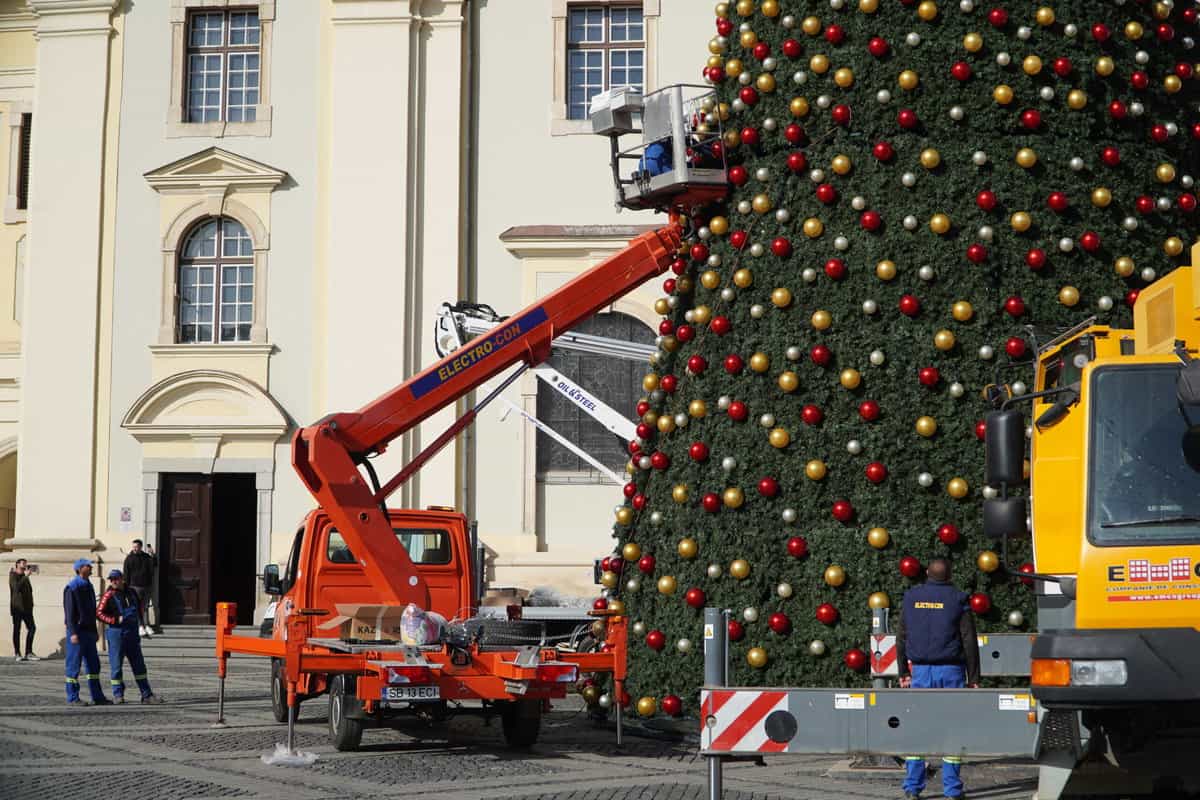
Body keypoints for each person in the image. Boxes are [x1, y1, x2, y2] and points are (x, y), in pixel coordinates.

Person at [894, 558, 980, 800]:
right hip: (951, 672)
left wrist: (903, 672)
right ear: (950, 574)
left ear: (926, 573)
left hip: (920, 671)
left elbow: (901, 637)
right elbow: (969, 641)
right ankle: (952, 790)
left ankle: (912, 787)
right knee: (952, 729)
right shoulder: (958, 599)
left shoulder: (911, 598)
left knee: (917, 728)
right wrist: (973, 677)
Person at [96, 569, 163, 705]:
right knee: (116, 666)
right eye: (111, 579)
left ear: (122, 579)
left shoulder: (132, 592)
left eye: (116, 578)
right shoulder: (108, 595)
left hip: (132, 634)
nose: (114, 581)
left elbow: (139, 609)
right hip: (116, 634)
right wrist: (114, 620)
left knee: (139, 666)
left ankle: (147, 695)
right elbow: (99, 613)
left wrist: (142, 625)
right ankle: (118, 694)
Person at [63, 558, 110, 706]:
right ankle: (73, 697)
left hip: (89, 631)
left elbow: (91, 611)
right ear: (79, 569)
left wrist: (95, 631)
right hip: (77, 631)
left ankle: (97, 696)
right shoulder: (72, 587)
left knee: (93, 665)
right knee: (73, 666)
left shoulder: (88, 585)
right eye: (87, 566)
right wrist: (73, 632)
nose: (91, 567)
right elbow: (69, 612)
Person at [122, 539, 156, 637]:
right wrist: (126, 587)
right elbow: (126, 573)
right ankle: (140, 625)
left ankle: (146, 625)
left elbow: (154, 565)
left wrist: (152, 555)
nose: (134, 549)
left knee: (145, 606)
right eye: (133, 547)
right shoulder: (129, 558)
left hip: (146, 585)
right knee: (137, 606)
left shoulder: (146, 557)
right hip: (134, 586)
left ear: (141, 547)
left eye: (136, 547)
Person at [9, 558, 37, 661]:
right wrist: (26, 577)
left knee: (32, 628)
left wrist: (32, 604)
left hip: (27, 609)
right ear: (17, 564)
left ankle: (28, 652)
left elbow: (29, 591)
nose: (25, 565)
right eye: (23, 563)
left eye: (26, 563)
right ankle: (17, 653)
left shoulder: (25, 577)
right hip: (17, 608)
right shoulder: (13, 575)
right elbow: (16, 588)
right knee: (17, 630)